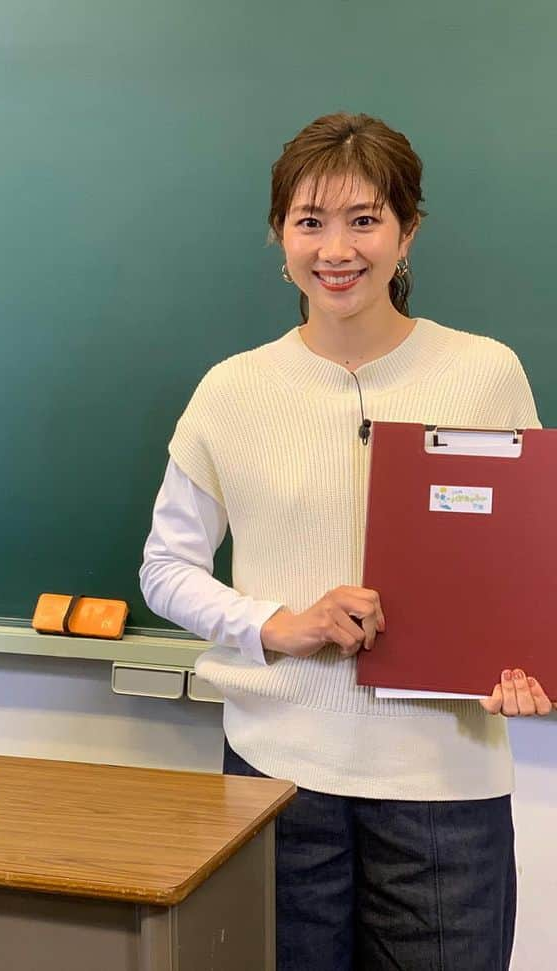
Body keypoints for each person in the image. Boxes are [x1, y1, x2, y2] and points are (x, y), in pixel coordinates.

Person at [140, 113, 552, 970]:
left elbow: (524, 562)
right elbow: (166, 566)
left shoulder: (486, 371)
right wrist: (276, 623)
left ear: (409, 232)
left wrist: (527, 664)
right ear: (278, 234)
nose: (337, 249)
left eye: (365, 219)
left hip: (444, 790)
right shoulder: (233, 389)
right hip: (277, 780)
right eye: (310, 220)